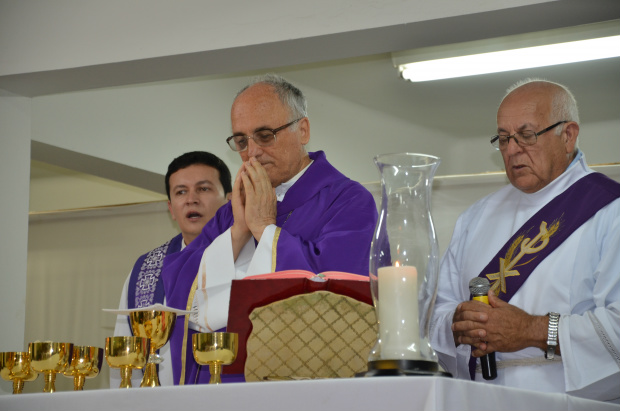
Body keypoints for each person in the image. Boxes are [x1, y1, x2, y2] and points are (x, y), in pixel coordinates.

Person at [161, 74, 378, 385]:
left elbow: (339, 295)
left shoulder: (347, 200)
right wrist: (238, 231)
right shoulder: (230, 214)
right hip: (221, 384)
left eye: (264, 135)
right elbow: (179, 284)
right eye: (241, 141)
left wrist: (264, 229)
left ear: (302, 130)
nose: (252, 153)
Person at [429, 79, 620, 402]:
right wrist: (457, 323)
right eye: (503, 139)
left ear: (568, 135)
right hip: (479, 400)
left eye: (527, 135)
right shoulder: (476, 217)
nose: (512, 149)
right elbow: (436, 312)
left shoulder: (610, 210)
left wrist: (532, 330)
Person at [111, 151, 232, 387]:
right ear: (171, 208)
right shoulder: (146, 271)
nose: (191, 199)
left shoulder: (252, 259)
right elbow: (125, 354)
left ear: (229, 200)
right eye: (181, 192)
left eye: (204, 189)